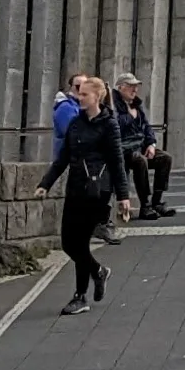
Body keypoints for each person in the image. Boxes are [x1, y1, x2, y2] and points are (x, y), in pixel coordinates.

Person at [40, 73, 132, 313]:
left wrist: (123, 196)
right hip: (76, 187)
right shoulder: (76, 123)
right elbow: (62, 158)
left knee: (79, 241)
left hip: (97, 191)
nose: (79, 97)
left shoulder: (108, 124)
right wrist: (45, 183)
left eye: (84, 94)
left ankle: (80, 296)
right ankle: (98, 271)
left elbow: (116, 161)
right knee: (68, 243)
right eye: (78, 93)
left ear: (97, 97)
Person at [111, 75, 174, 219]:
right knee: (140, 161)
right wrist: (130, 116)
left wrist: (151, 144)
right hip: (124, 149)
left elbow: (147, 127)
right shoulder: (114, 104)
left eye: (136, 86)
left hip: (139, 145)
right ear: (121, 87)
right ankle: (145, 205)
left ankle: (156, 202)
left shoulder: (136, 105)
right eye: (131, 86)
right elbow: (115, 125)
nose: (135, 89)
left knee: (165, 158)